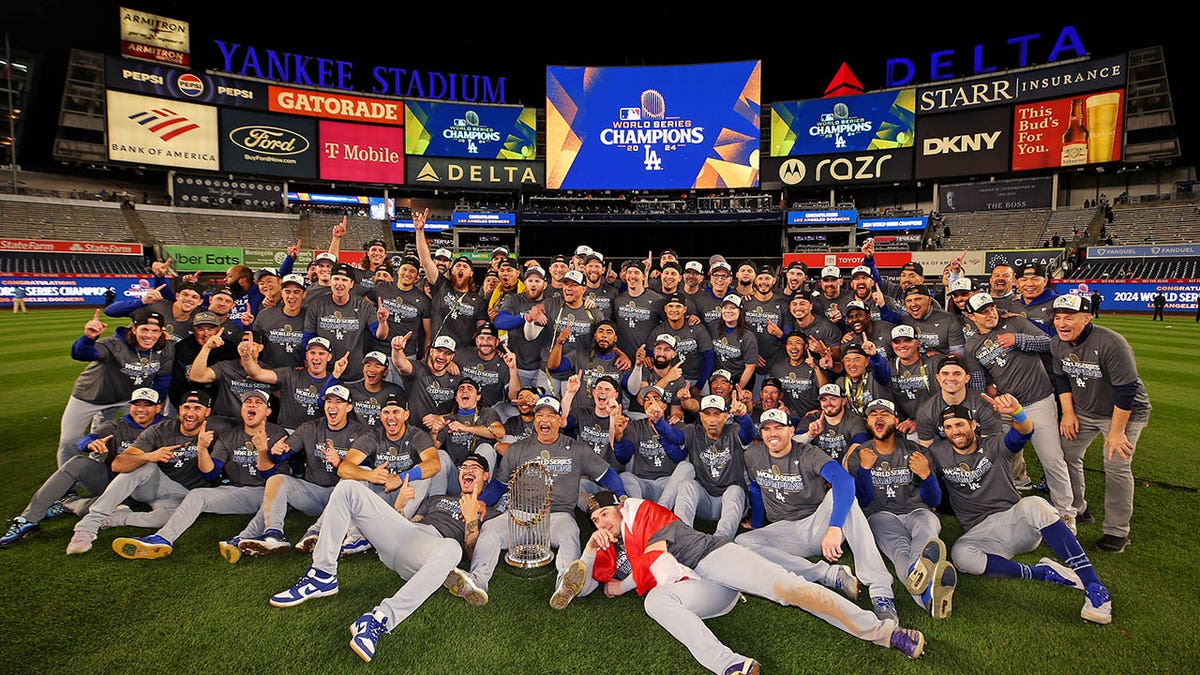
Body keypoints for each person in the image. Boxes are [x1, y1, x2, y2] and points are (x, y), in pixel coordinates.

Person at [557, 491, 926, 674]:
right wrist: (591, 547)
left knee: (791, 590)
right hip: (709, 590)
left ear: (620, 507)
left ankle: (885, 633)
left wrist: (622, 584)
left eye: (605, 514)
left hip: (714, 558)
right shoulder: (619, 538)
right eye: (595, 521)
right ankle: (732, 666)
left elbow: (649, 563)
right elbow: (605, 579)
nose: (601, 523)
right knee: (655, 603)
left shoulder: (641, 512)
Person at [270, 452, 494, 663]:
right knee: (348, 488)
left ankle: (379, 619)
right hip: (405, 537)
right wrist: (399, 507)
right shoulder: (437, 498)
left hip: (431, 551)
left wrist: (472, 516)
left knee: (452, 549)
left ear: (486, 476)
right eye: (464, 466)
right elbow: (409, 523)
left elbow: (472, 553)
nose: (468, 470)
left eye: (475, 467)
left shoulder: (488, 512)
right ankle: (323, 574)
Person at [926, 398, 1114, 625]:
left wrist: (1017, 413)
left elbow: (1024, 432)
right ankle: (1043, 572)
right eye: (948, 427)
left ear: (973, 425)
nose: (955, 431)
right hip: (981, 532)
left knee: (1035, 503)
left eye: (959, 425)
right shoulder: (938, 452)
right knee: (961, 555)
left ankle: (1094, 586)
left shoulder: (994, 444)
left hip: (1016, 522)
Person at [453, 395, 625, 603]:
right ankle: (478, 581)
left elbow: (608, 475)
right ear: (534, 420)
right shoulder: (517, 449)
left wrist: (622, 499)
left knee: (571, 533)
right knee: (490, 531)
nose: (544, 420)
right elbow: (499, 485)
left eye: (550, 416)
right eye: (540, 415)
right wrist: (482, 502)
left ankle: (565, 585)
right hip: (519, 515)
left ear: (560, 421)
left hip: (557, 515)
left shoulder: (576, 449)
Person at [736, 408, 901, 623]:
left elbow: (844, 481)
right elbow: (756, 488)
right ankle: (828, 574)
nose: (772, 433)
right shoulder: (753, 455)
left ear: (791, 430)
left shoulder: (807, 453)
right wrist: (757, 523)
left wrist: (834, 527)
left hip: (818, 526)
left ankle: (881, 591)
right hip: (785, 531)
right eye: (767, 429)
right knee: (742, 543)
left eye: (779, 427)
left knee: (841, 496)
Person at [111, 389, 289, 559]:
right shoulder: (229, 436)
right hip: (240, 492)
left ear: (268, 411)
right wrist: (202, 448)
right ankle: (162, 539)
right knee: (197, 495)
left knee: (269, 499)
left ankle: (241, 539)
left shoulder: (277, 433)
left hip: (270, 493)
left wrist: (262, 450)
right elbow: (211, 474)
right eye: (247, 402)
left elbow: (271, 476)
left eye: (258, 403)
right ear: (241, 409)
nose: (252, 405)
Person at [65, 390, 232, 554]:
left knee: (174, 519)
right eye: (187, 407)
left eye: (197, 408)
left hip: (184, 494)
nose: (190, 413)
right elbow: (118, 465)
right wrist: (149, 456)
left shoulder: (218, 428)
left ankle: (116, 518)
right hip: (157, 484)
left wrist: (202, 448)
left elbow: (211, 473)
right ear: (180, 409)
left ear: (207, 412)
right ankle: (88, 526)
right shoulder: (161, 429)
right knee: (143, 465)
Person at [962, 293, 1075, 528]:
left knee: (1052, 459)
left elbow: (1049, 343)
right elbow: (978, 382)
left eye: (992, 308)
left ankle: (1066, 512)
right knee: (999, 457)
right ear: (971, 316)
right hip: (1004, 407)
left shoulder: (1014, 322)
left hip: (1038, 399)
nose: (991, 313)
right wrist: (986, 403)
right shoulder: (972, 345)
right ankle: (1008, 506)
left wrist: (1018, 339)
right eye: (983, 311)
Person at [1051, 294, 1151, 553]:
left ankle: (1118, 532)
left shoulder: (1111, 343)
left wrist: (1117, 432)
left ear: (1087, 317)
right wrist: (1069, 414)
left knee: (1116, 463)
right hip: (1084, 410)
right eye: (1058, 317)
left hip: (1124, 412)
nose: (1062, 323)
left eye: (1069, 317)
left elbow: (1126, 391)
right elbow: (1062, 380)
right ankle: (1079, 507)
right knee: (1065, 454)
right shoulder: (1057, 343)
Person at [2, 389, 165, 548]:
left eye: (147, 405)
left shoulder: (168, 426)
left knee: (89, 509)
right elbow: (86, 440)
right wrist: (90, 444)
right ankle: (28, 520)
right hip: (112, 484)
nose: (141, 409)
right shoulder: (116, 426)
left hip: (149, 488)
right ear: (130, 406)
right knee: (77, 463)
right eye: (137, 404)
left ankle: (70, 504)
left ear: (158, 408)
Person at [227, 384, 373, 558]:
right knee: (277, 480)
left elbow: (366, 470)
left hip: (341, 496)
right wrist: (275, 451)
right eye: (329, 401)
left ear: (349, 407)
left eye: (339, 402)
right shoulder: (309, 428)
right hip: (313, 493)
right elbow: (281, 457)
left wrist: (340, 463)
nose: (332, 406)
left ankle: (315, 532)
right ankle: (273, 534)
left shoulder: (361, 432)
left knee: (357, 475)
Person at [844, 399, 952, 618]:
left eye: (885, 413)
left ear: (896, 420)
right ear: (868, 422)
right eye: (873, 414)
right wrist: (864, 470)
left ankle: (915, 571)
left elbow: (934, 500)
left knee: (929, 527)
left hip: (916, 511)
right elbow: (863, 501)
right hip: (881, 514)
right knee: (898, 549)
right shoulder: (861, 454)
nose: (879, 417)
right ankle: (928, 600)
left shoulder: (916, 452)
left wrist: (926, 475)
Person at [56, 310, 173, 468]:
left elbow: (163, 379)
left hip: (128, 399)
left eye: (155, 331)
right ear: (134, 329)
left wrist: (155, 403)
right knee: (69, 440)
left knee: (139, 435)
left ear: (161, 332)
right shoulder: (115, 344)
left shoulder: (164, 349)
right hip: (90, 396)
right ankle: (67, 485)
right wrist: (89, 338)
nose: (149, 335)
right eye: (144, 329)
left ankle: (104, 466)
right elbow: (81, 354)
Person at [657, 394, 756, 539]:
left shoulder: (733, 430)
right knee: (687, 485)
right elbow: (675, 437)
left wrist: (743, 416)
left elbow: (748, 434)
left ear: (725, 416)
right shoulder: (693, 431)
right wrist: (658, 420)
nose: (712, 420)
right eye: (708, 414)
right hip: (705, 501)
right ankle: (682, 537)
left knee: (735, 491)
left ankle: (720, 541)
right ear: (701, 416)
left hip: (730, 502)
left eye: (717, 414)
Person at [798, 384, 869, 465]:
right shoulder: (811, 418)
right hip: (816, 470)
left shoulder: (854, 420)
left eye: (833, 399)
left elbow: (860, 444)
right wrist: (810, 435)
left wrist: (844, 467)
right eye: (824, 400)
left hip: (845, 469)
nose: (828, 403)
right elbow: (793, 444)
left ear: (843, 401)